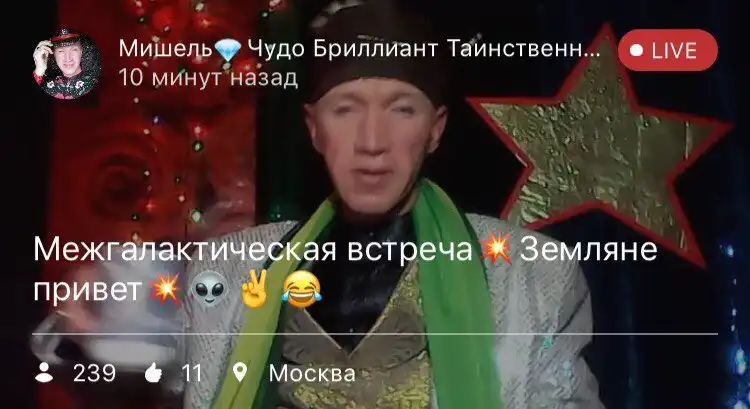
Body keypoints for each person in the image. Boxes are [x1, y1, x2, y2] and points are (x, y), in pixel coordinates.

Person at [34, 1, 605, 408]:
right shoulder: (232, 269)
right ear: (313, 129)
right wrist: (100, 325)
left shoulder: (529, 275)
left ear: (435, 130)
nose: (372, 141)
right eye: (346, 109)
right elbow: (120, 368)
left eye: (401, 109)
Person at [33, 29, 98, 99]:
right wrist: (39, 70)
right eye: (61, 51)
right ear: (53, 54)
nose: (68, 58)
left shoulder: (94, 83)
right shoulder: (47, 86)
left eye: (74, 49)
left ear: (81, 51)